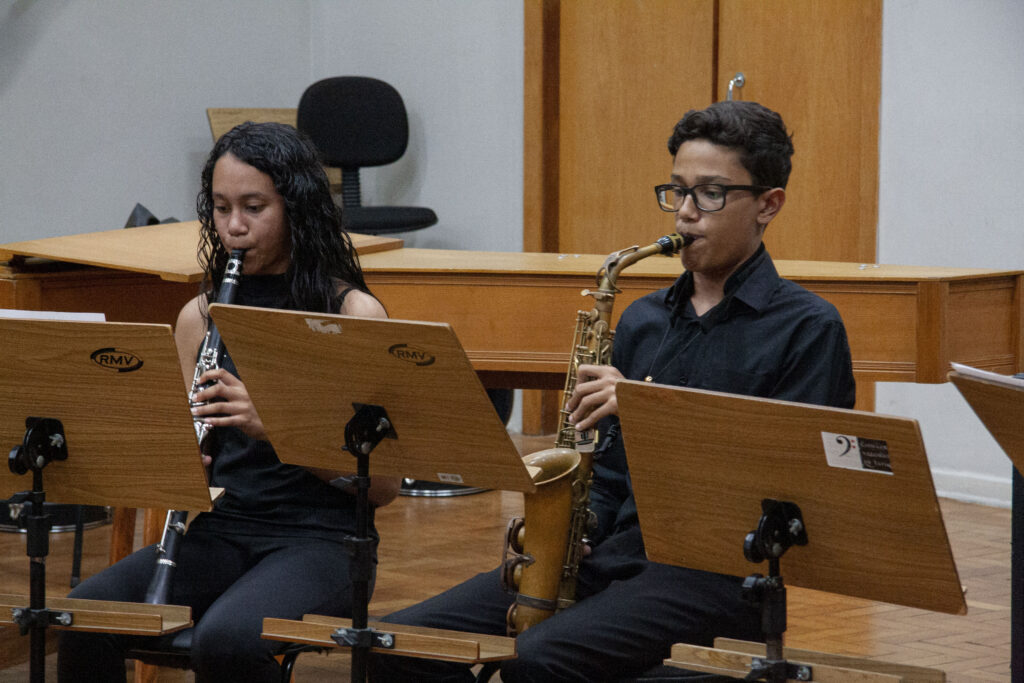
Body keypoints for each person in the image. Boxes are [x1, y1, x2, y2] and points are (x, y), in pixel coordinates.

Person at [366, 101, 856, 683]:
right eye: (676, 191)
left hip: (717, 578)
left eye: (711, 194)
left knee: (538, 660)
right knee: (397, 643)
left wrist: (651, 414)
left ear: (768, 205)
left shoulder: (808, 328)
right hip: (614, 557)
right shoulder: (645, 319)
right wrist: (577, 528)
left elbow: (789, 486)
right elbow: (607, 469)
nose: (685, 214)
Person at [58, 122, 400, 682]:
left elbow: (383, 488)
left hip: (323, 540)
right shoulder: (200, 316)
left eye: (254, 207)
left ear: (297, 208)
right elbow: (181, 454)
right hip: (225, 528)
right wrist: (172, 465)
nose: (234, 227)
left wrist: (276, 427)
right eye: (220, 208)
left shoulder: (352, 315)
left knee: (227, 641)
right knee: (83, 617)